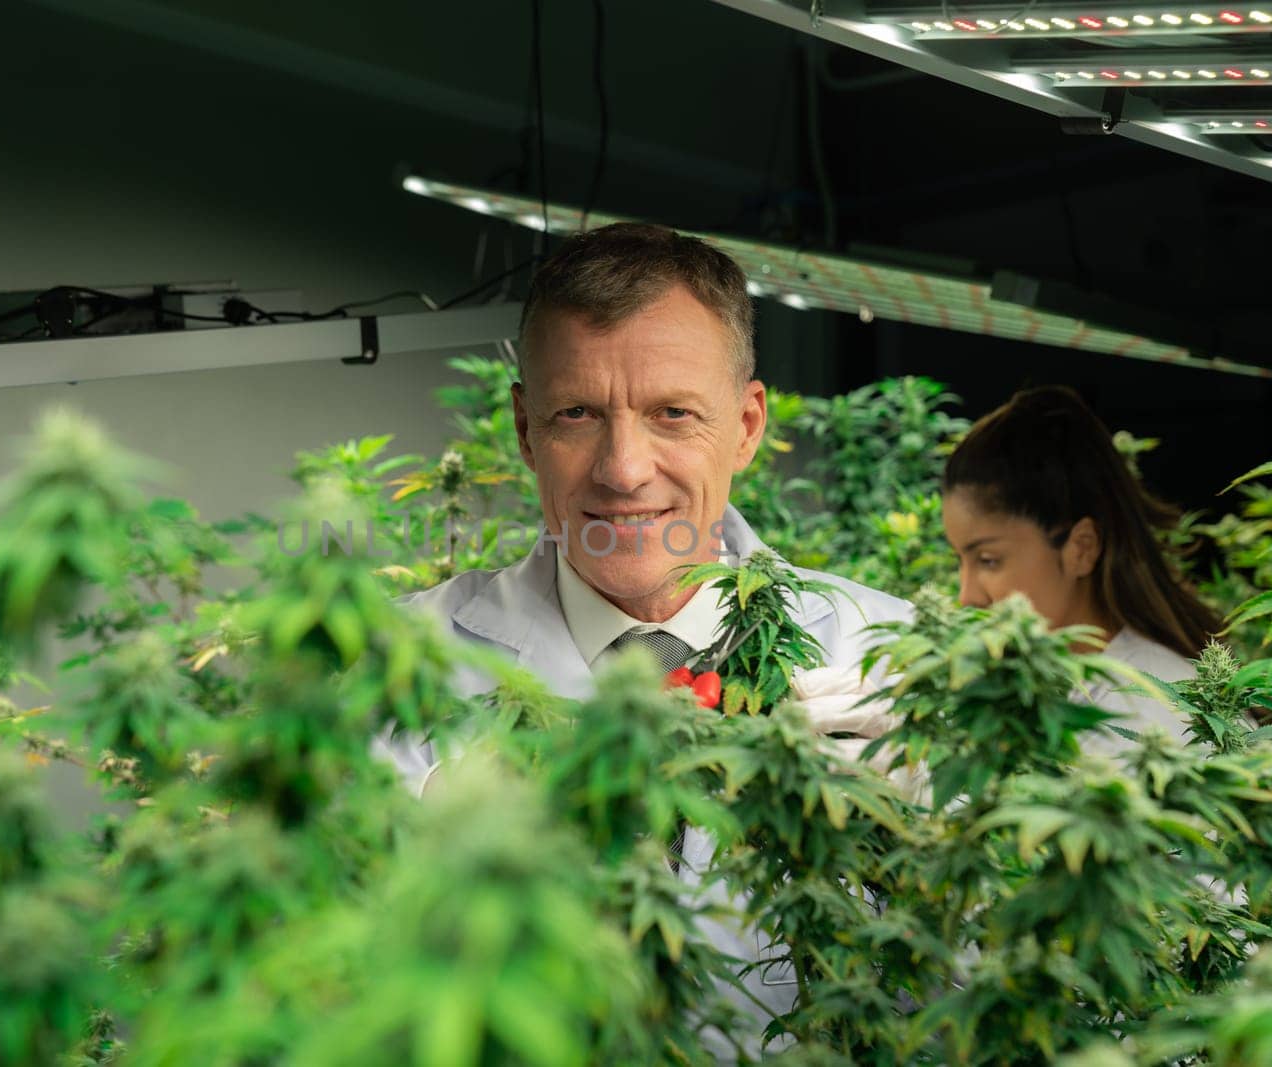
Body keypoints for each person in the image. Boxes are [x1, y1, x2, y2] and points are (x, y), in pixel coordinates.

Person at [388, 221, 912, 1056]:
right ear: (526, 430)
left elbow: (1018, 996)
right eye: (578, 414)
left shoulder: (891, 650)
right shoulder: (390, 663)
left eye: (673, 413)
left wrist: (935, 842)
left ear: (745, 426)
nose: (625, 469)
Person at [941, 384, 1222, 754]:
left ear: (1081, 548)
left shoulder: (1159, 715)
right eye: (959, 561)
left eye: (988, 560)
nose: (967, 596)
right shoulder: (1070, 684)